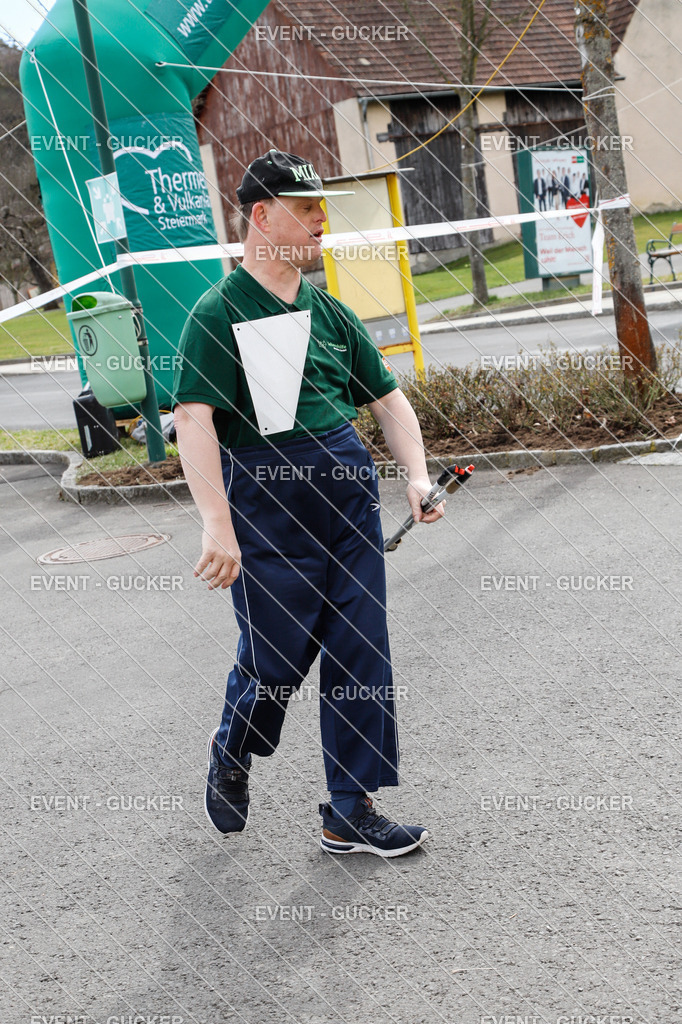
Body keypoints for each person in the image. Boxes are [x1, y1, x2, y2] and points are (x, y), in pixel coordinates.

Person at [172, 150, 444, 858]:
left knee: (360, 654)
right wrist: (215, 524)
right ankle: (232, 744)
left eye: (322, 207)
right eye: (306, 208)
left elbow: (388, 400)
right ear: (261, 216)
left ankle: (349, 809)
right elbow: (195, 421)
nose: (322, 221)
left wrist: (415, 476)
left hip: (346, 503)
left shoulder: (331, 314)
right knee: (276, 659)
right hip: (268, 509)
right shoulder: (219, 311)